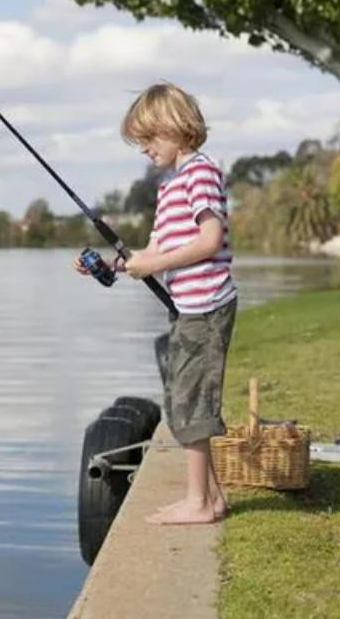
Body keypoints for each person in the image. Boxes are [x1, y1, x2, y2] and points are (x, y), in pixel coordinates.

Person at [76, 81, 237, 525]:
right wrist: (111, 267)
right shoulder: (170, 187)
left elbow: (210, 239)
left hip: (206, 305)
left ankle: (199, 503)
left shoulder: (201, 174)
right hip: (187, 306)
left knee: (190, 403)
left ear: (177, 128)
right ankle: (212, 498)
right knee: (185, 398)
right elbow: (150, 252)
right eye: (140, 142)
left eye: (150, 139)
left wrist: (156, 263)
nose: (145, 149)